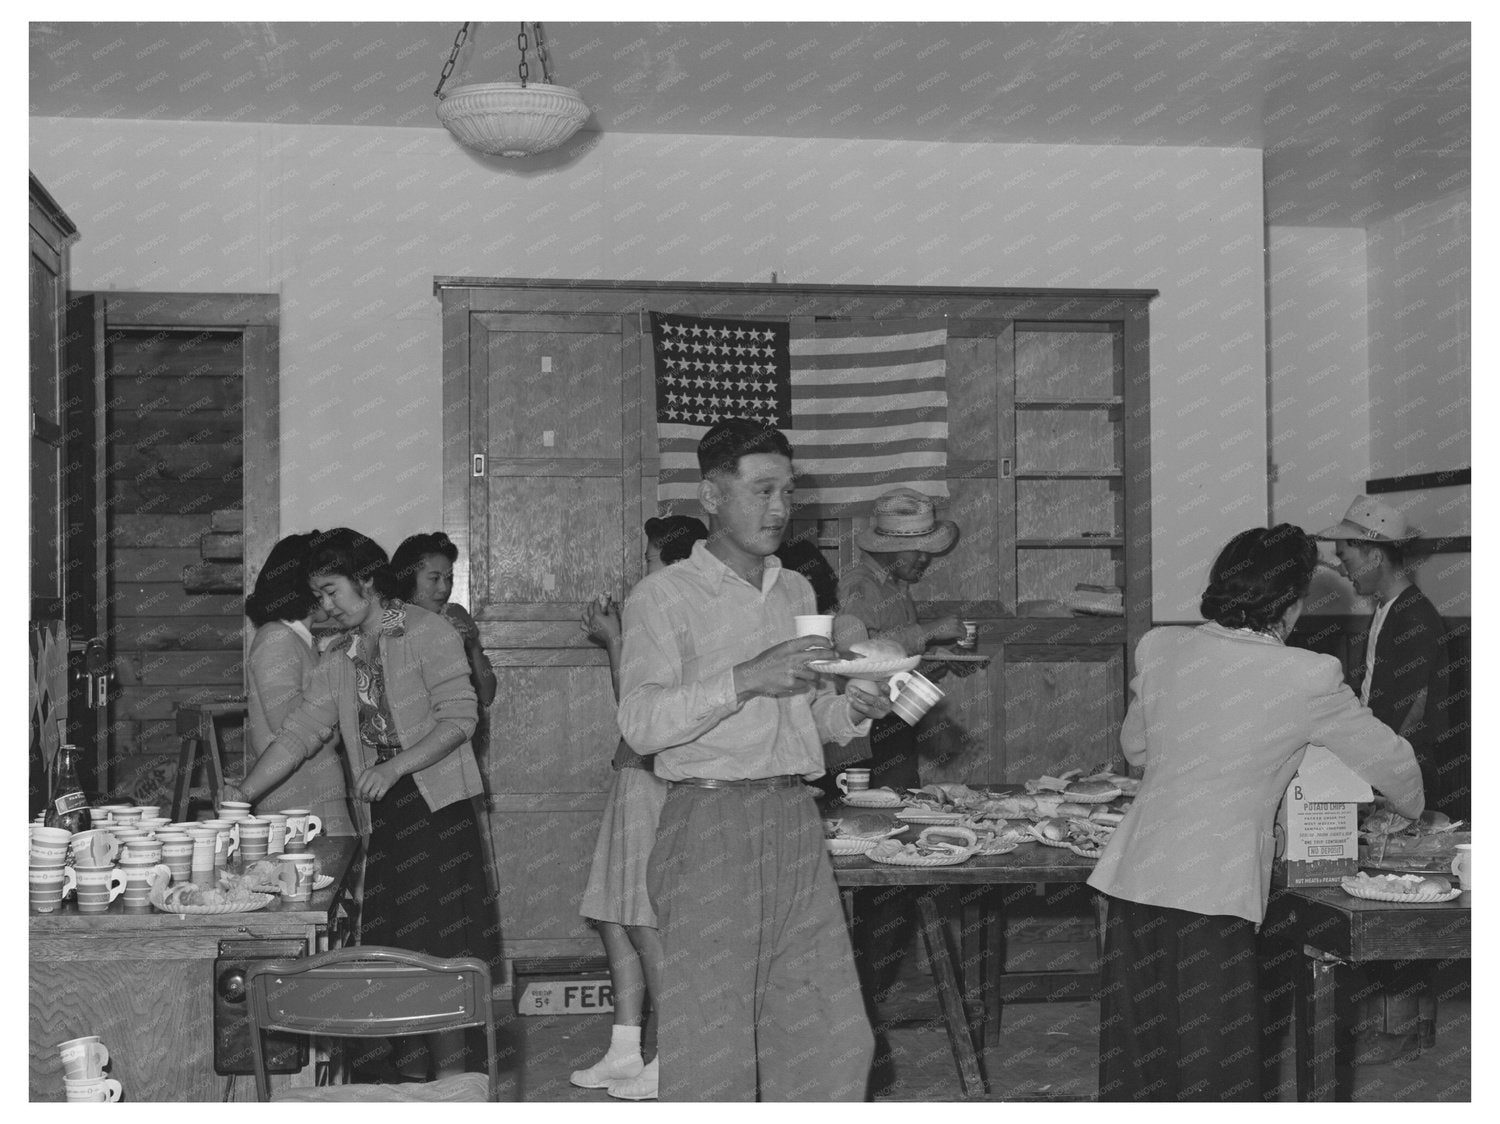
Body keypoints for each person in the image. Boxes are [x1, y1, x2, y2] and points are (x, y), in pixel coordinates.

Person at [1087, 524, 1424, 1102]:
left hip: (1132, 879)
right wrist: (1416, 812)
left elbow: (1136, 750)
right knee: (1214, 1072)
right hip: (1213, 893)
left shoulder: (1161, 646)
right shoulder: (1307, 675)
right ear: (1292, 604)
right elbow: (1396, 766)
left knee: (1139, 1062)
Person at [616, 418, 888, 1101]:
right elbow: (642, 724)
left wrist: (854, 709)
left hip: (794, 817)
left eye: (787, 491)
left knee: (827, 1027)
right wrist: (744, 677)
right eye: (762, 489)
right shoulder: (661, 597)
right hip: (707, 822)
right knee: (713, 1038)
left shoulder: (797, 591)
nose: (779, 507)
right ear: (711, 495)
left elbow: (809, 712)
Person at [223, 527, 493, 1080]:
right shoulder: (341, 653)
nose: (323, 606)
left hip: (437, 810)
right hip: (391, 814)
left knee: (436, 956)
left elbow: (461, 717)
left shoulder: (425, 630)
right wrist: (243, 795)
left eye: (331, 592)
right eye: (318, 595)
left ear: (367, 582)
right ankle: (404, 1089)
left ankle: (452, 1093)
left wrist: (394, 766)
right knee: (390, 954)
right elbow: (299, 731)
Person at [571, 514, 708, 1101]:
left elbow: (645, 711)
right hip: (633, 772)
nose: (642, 569)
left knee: (643, 917)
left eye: (649, 557)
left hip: (657, 777)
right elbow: (633, 714)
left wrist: (615, 640)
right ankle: (626, 1050)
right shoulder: (656, 609)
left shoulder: (680, 613)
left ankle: (674, 1054)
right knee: (611, 911)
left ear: (673, 562)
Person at [1315, 496, 1454, 814]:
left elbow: (1412, 710)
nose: (1343, 571)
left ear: (1375, 556)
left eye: (1346, 560)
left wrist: (1380, 776)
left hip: (1405, 777)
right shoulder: (1386, 608)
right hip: (1385, 767)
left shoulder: (1414, 617)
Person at [833, 486, 966, 790]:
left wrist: (935, 660)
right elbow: (855, 656)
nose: (924, 558)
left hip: (896, 720)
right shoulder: (860, 587)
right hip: (869, 730)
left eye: (927, 550)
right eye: (916, 550)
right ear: (885, 547)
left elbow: (892, 660)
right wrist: (929, 632)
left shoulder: (894, 588)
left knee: (902, 802)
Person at [244, 531, 356, 836]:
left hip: (314, 793)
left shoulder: (302, 641)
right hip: (296, 801)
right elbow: (291, 727)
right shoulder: (277, 638)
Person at [389, 531, 497, 715]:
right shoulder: (393, 620)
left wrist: (470, 648)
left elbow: (486, 695)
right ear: (408, 579)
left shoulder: (455, 614)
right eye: (434, 578)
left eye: (449, 578)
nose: (444, 588)